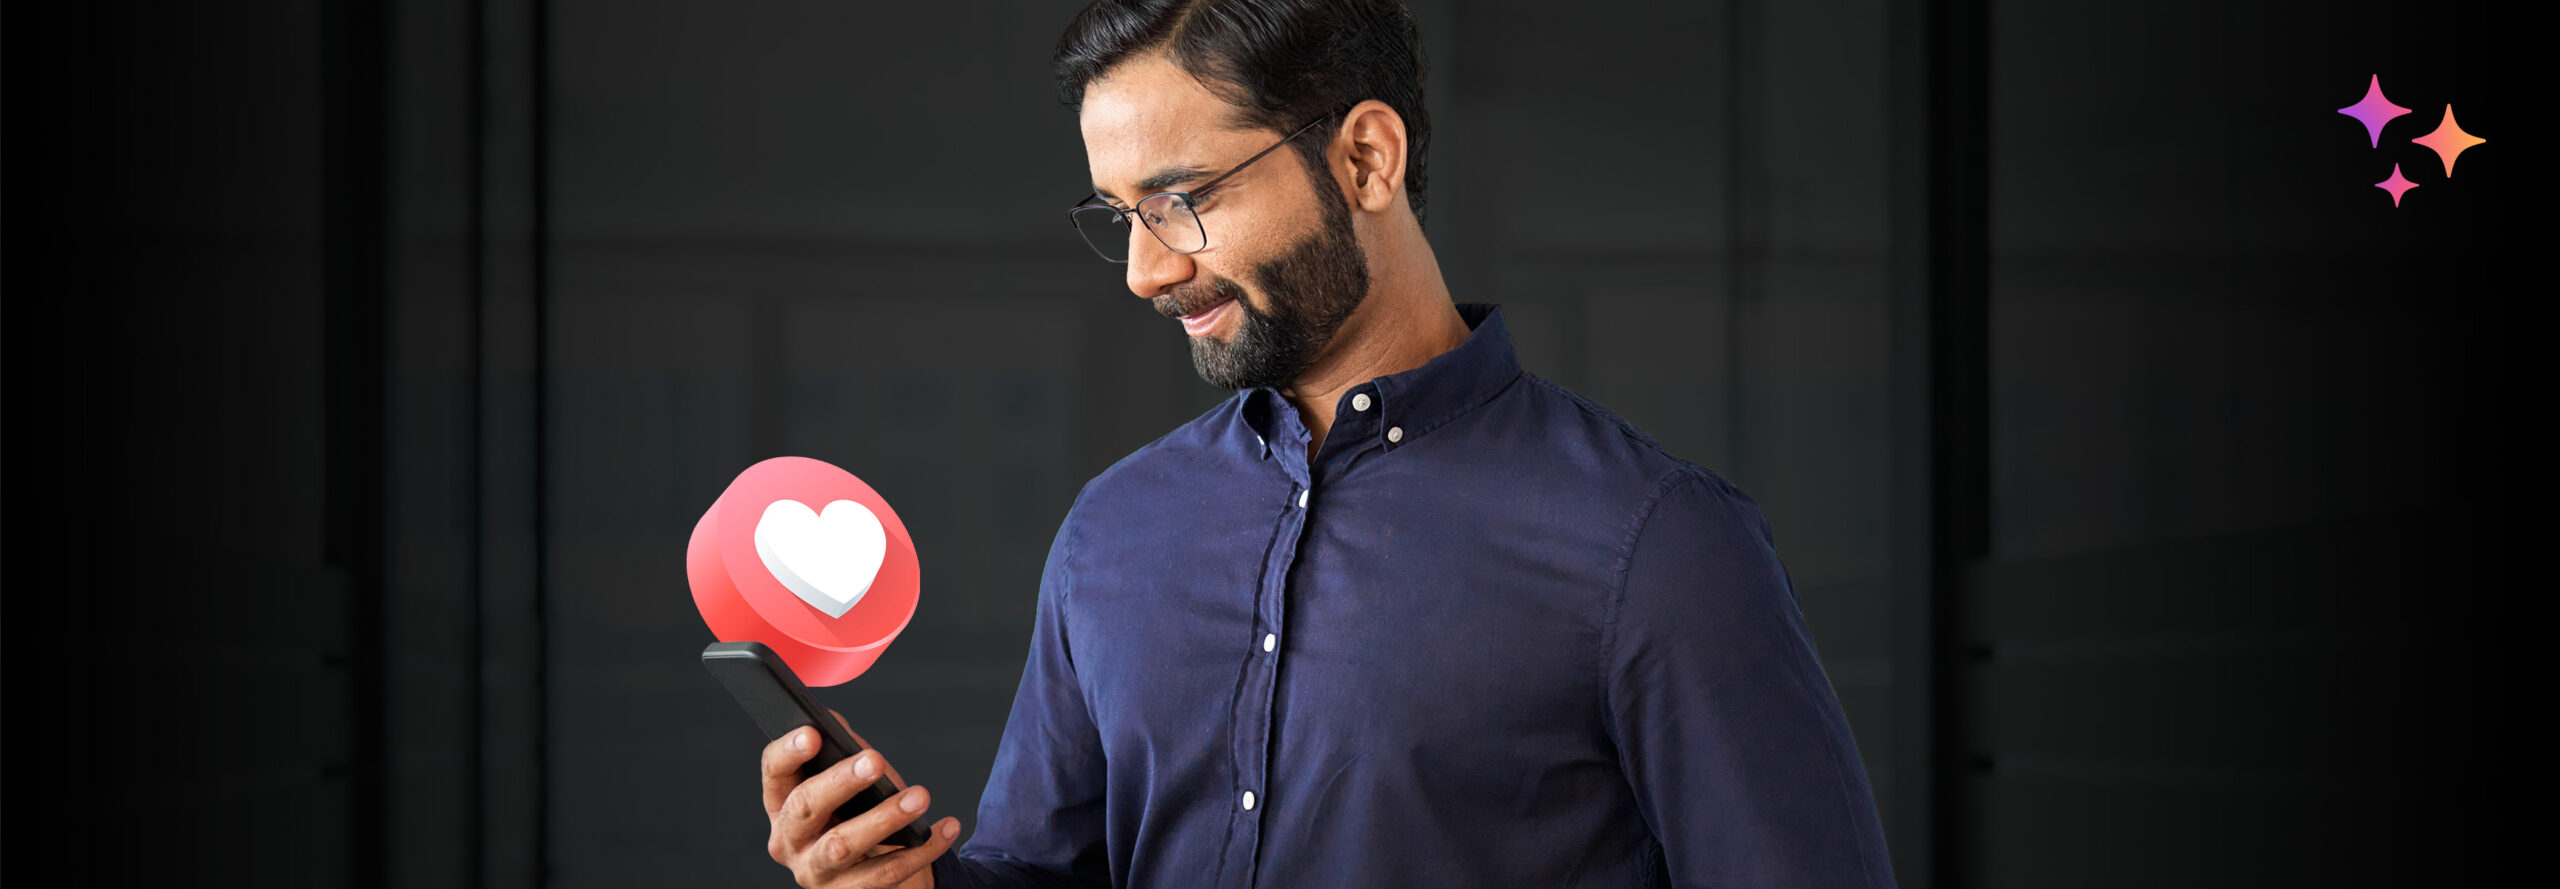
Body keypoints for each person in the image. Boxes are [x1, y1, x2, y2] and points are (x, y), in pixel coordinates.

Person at [757, 1, 1895, 886]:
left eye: (1183, 198)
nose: (1147, 269)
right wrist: (904, 879)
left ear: (1365, 159)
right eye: (1121, 216)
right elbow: (1043, 874)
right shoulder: (1113, 529)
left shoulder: (1658, 544)